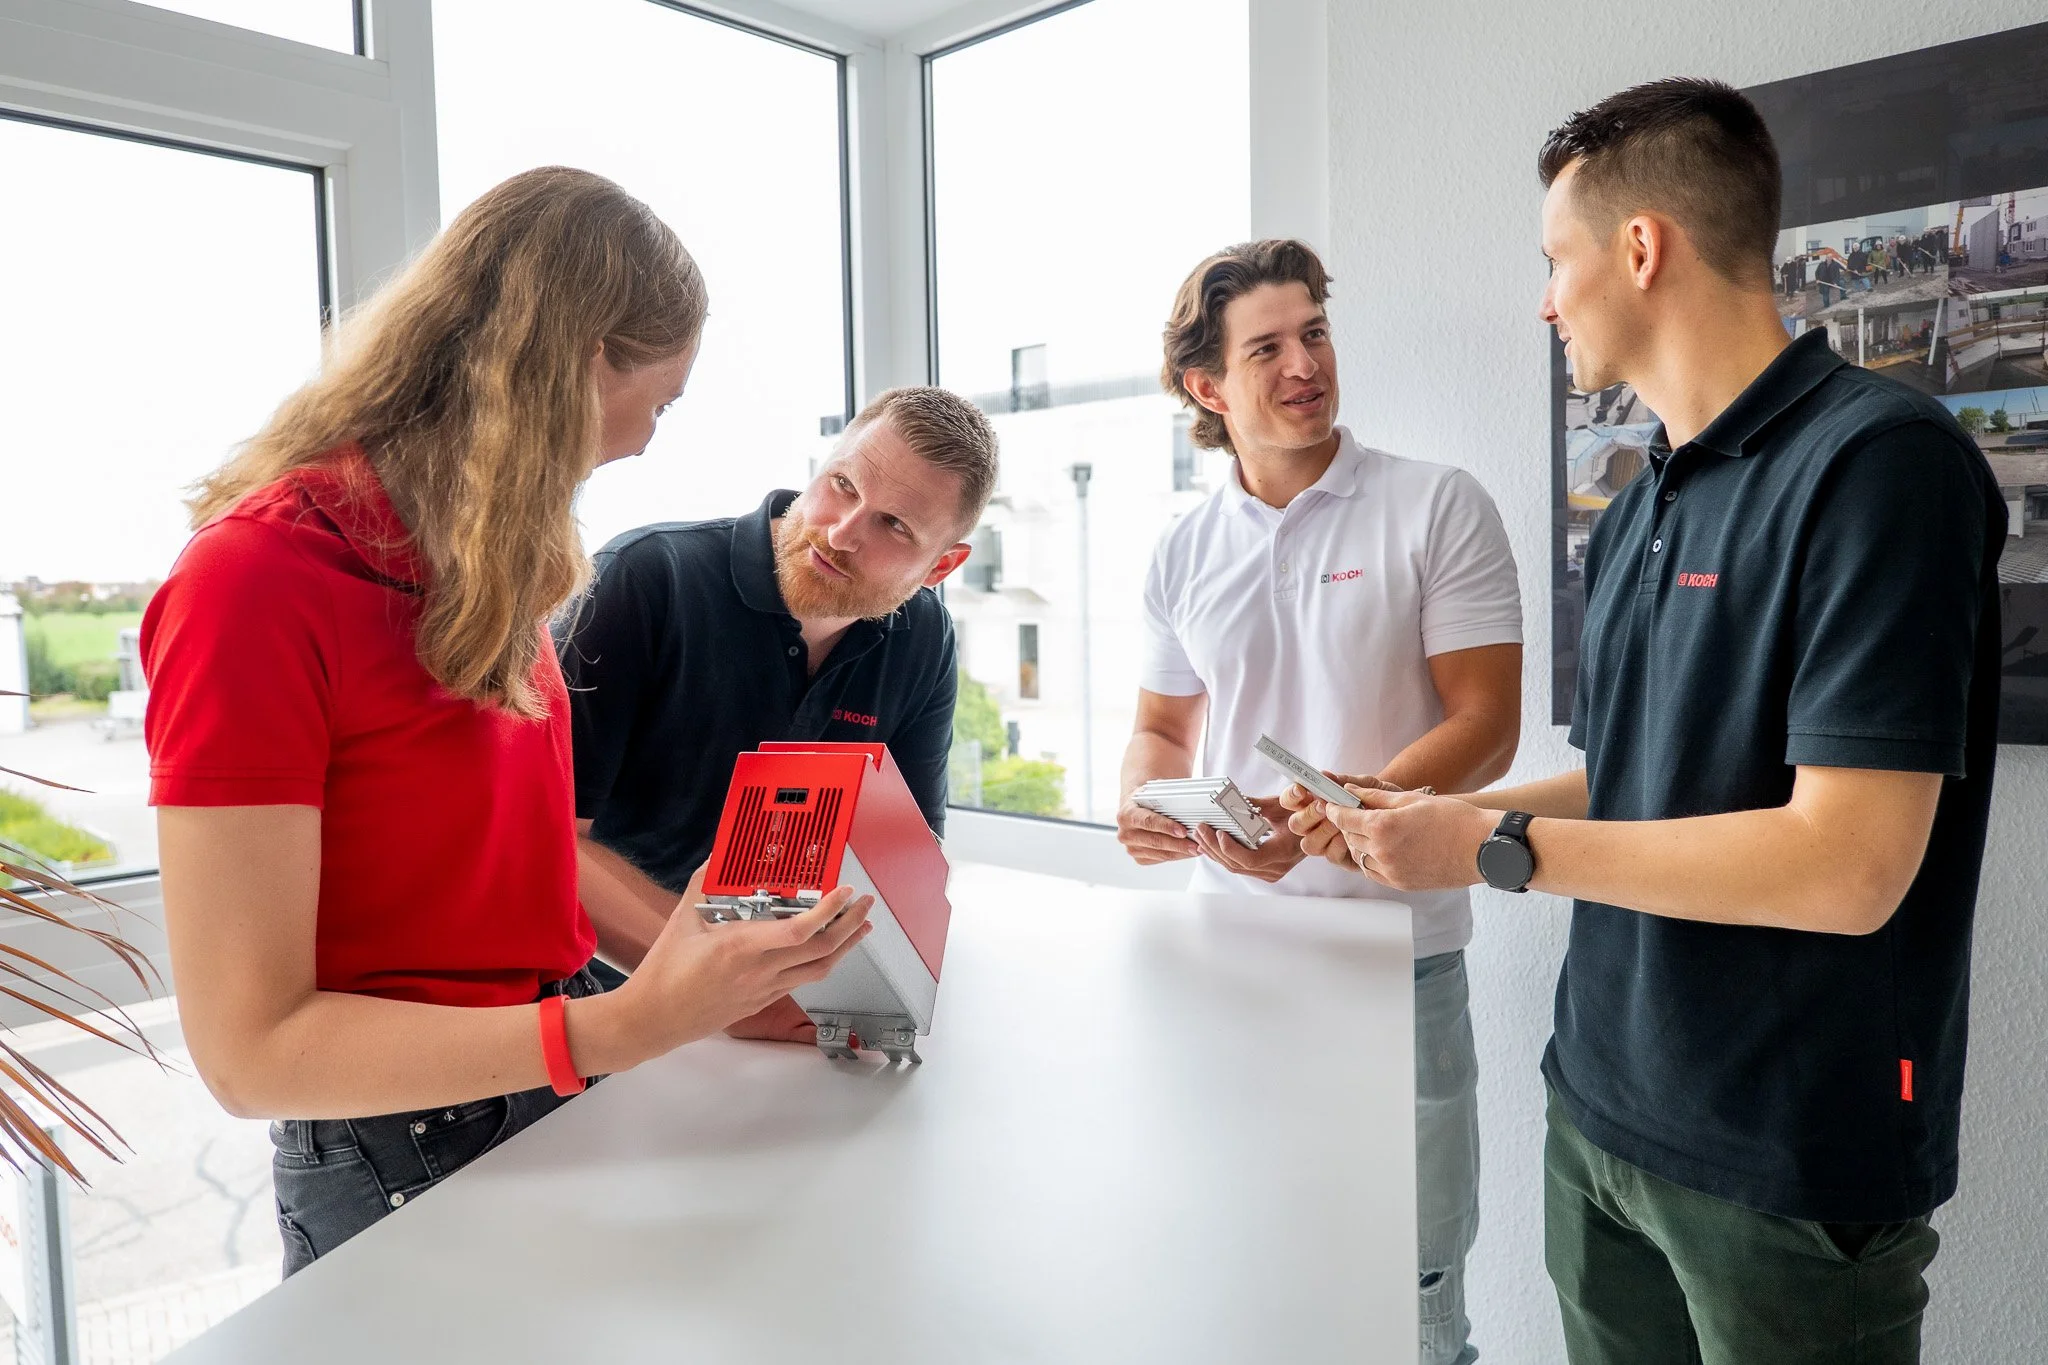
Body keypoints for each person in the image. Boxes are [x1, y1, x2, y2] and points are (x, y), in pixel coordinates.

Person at [1288, 78, 2003, 1365]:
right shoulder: (1631, 506)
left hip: (1784, 1157)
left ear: (1637, 248)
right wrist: (1439, 813)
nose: (1543, 301)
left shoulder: (1880, 466)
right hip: (1597, 1111)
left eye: (1552, 261)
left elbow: (1847, 867)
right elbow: (1633, 775)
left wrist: (1488, 849)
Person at [142, 167, 875, 1275]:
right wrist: (627, 1025)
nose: (644, 443)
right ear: (581, 363)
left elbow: (515, 882)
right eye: (660, 403)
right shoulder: (252, 582)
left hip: (548, 1076)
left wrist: (702, 985)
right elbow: (252, 1055)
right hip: (401, 1146)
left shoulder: (479, 563)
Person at [1118, 239, 1522, 1365]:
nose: (1305, 365)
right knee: (1248, 1276)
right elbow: (1160, 731)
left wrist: (1332, 817)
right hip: (1231, 963)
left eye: (1315, 334)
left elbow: (1486, 723)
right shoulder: (1181, 549)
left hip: (1399, 962)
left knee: (1413, 1302)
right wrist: (1146, 803)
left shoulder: (1435, 505)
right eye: (1267, 349)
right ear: (1208, 388)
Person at [559, 387, 998, 1041]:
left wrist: (853, 992)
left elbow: (906, 861)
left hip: (777, 997)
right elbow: (547, 843)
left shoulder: (925, 636)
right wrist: (726, 988)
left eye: (894, 525)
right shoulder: (644, 578)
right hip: (602, 1000)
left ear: (942, 566)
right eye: (843, 485)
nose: (842, 533)